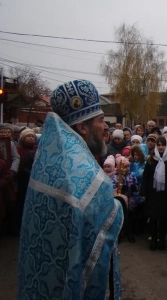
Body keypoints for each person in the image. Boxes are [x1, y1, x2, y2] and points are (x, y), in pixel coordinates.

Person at [18, 79, 124, 299]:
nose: (106, 127)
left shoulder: (47, 161)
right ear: (82, 126)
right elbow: (99, 232)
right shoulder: (85, 175)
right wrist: (119, 203)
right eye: (101, 120)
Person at [140, 136, 167, 251]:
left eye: (163, 145)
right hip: (152, 193)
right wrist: (144, 193)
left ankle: (161, 241)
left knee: (163, 219)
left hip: (165, 195)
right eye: (159, 145)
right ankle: (153, 240)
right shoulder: (152, 158)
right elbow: (146, 177)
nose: (161, 147)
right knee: (152, 219)